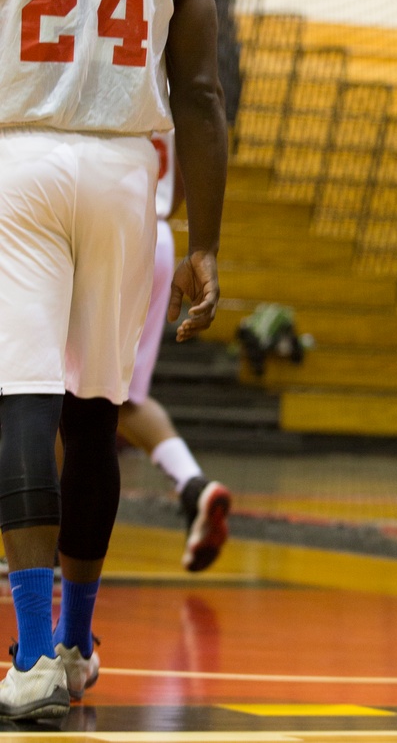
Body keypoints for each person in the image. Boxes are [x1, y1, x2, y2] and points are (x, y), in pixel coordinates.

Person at [0, 0, 228, 722]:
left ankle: (37, 650)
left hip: (21, 158)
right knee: (95, 412)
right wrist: (207, 242)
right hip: (128, 171)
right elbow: (206, 98)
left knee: (20, 403)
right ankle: (80, 645)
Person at [119, 130, 232, 573]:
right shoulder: (177, 87)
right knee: (123, 396)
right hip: (160, 236)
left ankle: (43, 539)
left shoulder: (113, 75)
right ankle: (193, 486)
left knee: (61, 385)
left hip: (104, 230)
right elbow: (187, 172)